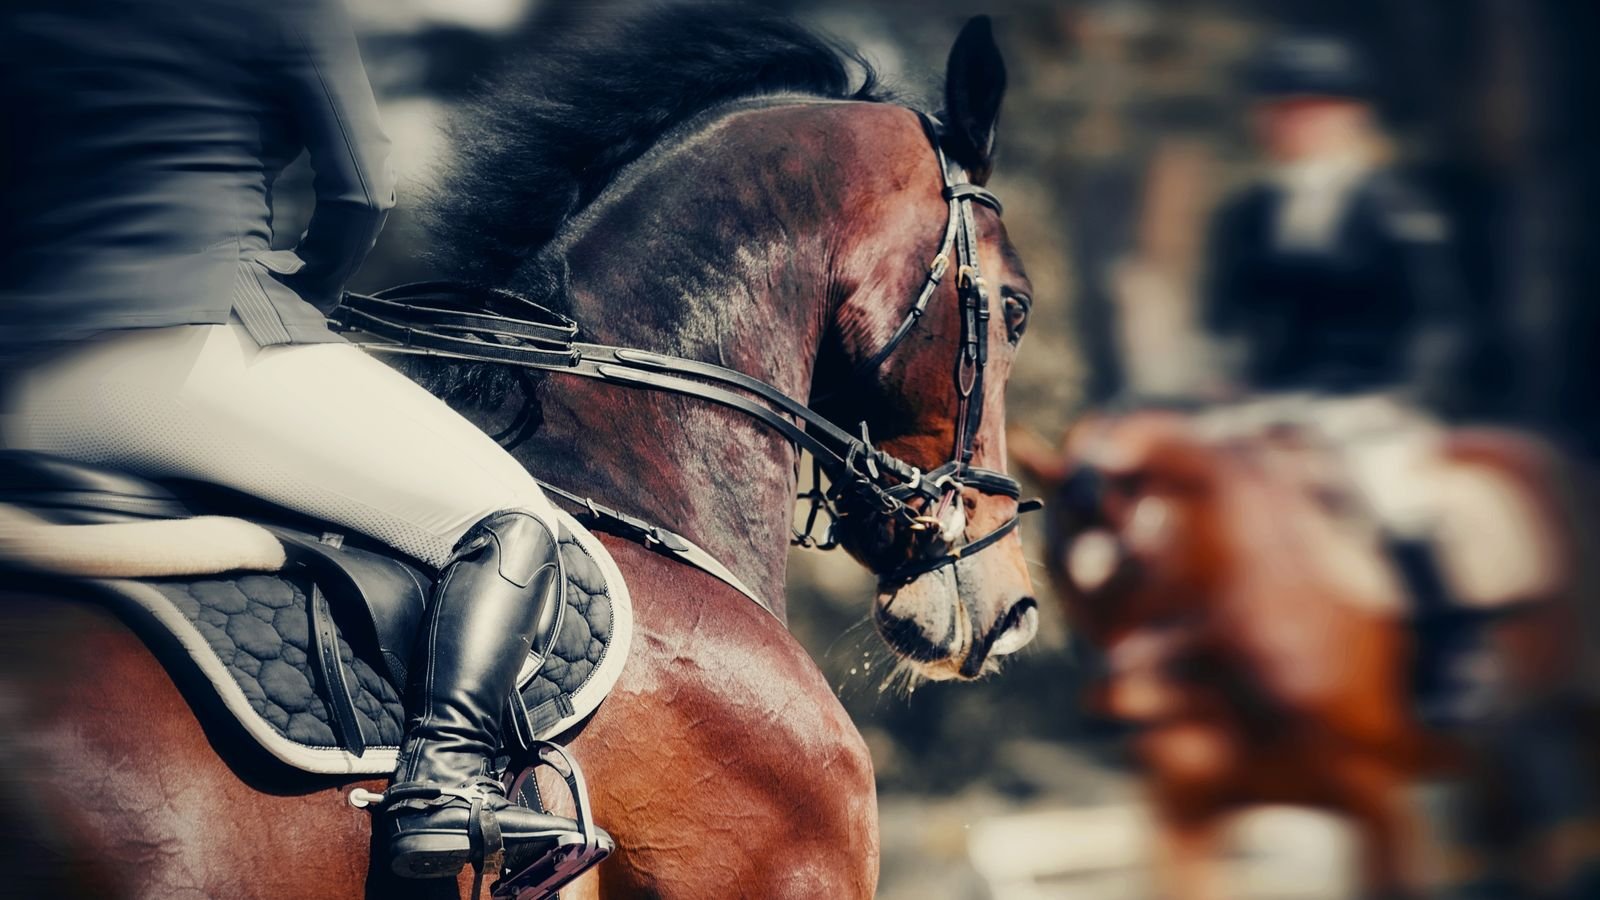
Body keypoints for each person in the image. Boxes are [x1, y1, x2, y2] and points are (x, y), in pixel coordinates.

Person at [0, 0, 587, 878]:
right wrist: (302, 296)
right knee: (506, 519)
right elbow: (358, 189)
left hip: (18, 383)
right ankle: (447, 786)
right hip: (185, 348)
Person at [1199, 32, 1485, 724]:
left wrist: (1400, 395)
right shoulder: (1246, 215)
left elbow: (1437, 318)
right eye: (1284, 108)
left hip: (1371, 399)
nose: (1296, 123)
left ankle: (1450, 655)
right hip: (1275, 401)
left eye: (1314, 108)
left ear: (1350, 116)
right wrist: (1229, 381)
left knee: (1391, 497)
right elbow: (1226, 319)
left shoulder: (1395, 208)